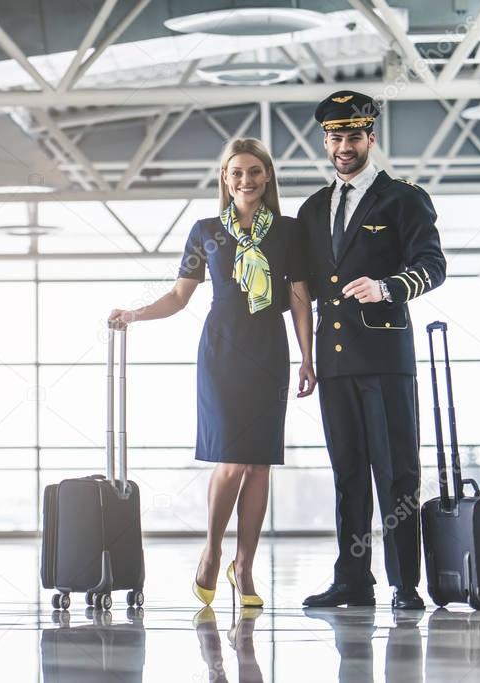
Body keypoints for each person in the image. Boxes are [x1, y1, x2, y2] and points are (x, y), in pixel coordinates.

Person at [108, 137, 316, 608]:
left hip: (269, 348)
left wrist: (308, 357)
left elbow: (300, 298)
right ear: (225, 177)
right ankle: (212, 549)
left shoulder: (288, 231)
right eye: (236, 171)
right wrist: (135, 314)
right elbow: (180, 296)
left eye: (255, 171)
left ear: (267, 178)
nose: (246, 179)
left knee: (260, 463)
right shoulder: (205, 230)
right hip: (222, 350)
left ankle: (244, 568)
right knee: (233, 461)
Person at [297, 90, 446, 611]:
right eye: (335, 137)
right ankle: (354, 581)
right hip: (334, 363)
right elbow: (305, 283)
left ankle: (406, 585)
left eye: (353, 136)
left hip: (384, 360)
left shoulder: (405, 198)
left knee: (397, 471)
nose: (344, 146)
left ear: (370, 138)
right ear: (325, 140)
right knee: (349, 473)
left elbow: (433, 266)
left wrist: (388, 287)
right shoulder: (313, 208)